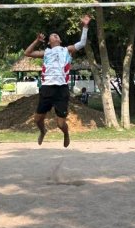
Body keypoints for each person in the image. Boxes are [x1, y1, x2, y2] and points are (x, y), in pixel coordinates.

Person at [24, 15, 91, 147]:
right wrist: (37, 41)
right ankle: (43, 131)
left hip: (61, 89)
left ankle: (66, 134)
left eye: (57, 35)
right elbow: (27, 53)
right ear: (49, 42)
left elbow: (82, 43)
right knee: (37, 119)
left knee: (60, 124)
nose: (55, 36)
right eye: (52, 35)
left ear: (60, 40)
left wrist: (85, 26)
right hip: (47, 88)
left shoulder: (67, 50)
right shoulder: (46, 52)